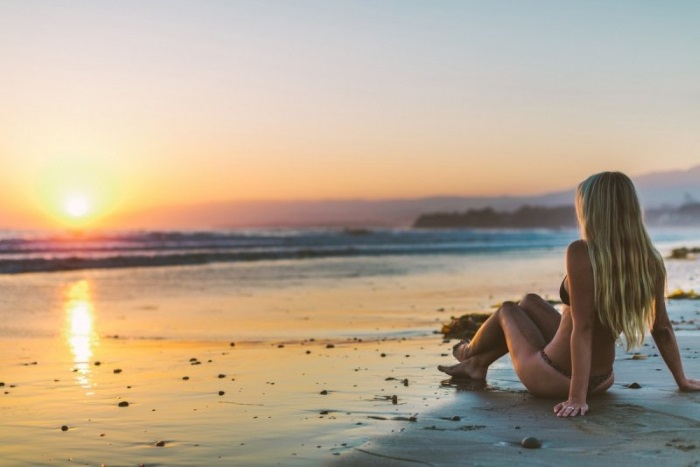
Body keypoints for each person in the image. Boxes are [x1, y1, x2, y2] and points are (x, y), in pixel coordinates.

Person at [438, 171, 700, 417]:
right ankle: (477, 364)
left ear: (593, 211)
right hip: (603, 378)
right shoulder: (650, 260)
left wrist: (577, 397)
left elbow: (583, 328)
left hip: (556, 376)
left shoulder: (582, 252)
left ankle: (468, 352)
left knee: (508, 310)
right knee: (529, 302)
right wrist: (681, 380)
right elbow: (662, 326)